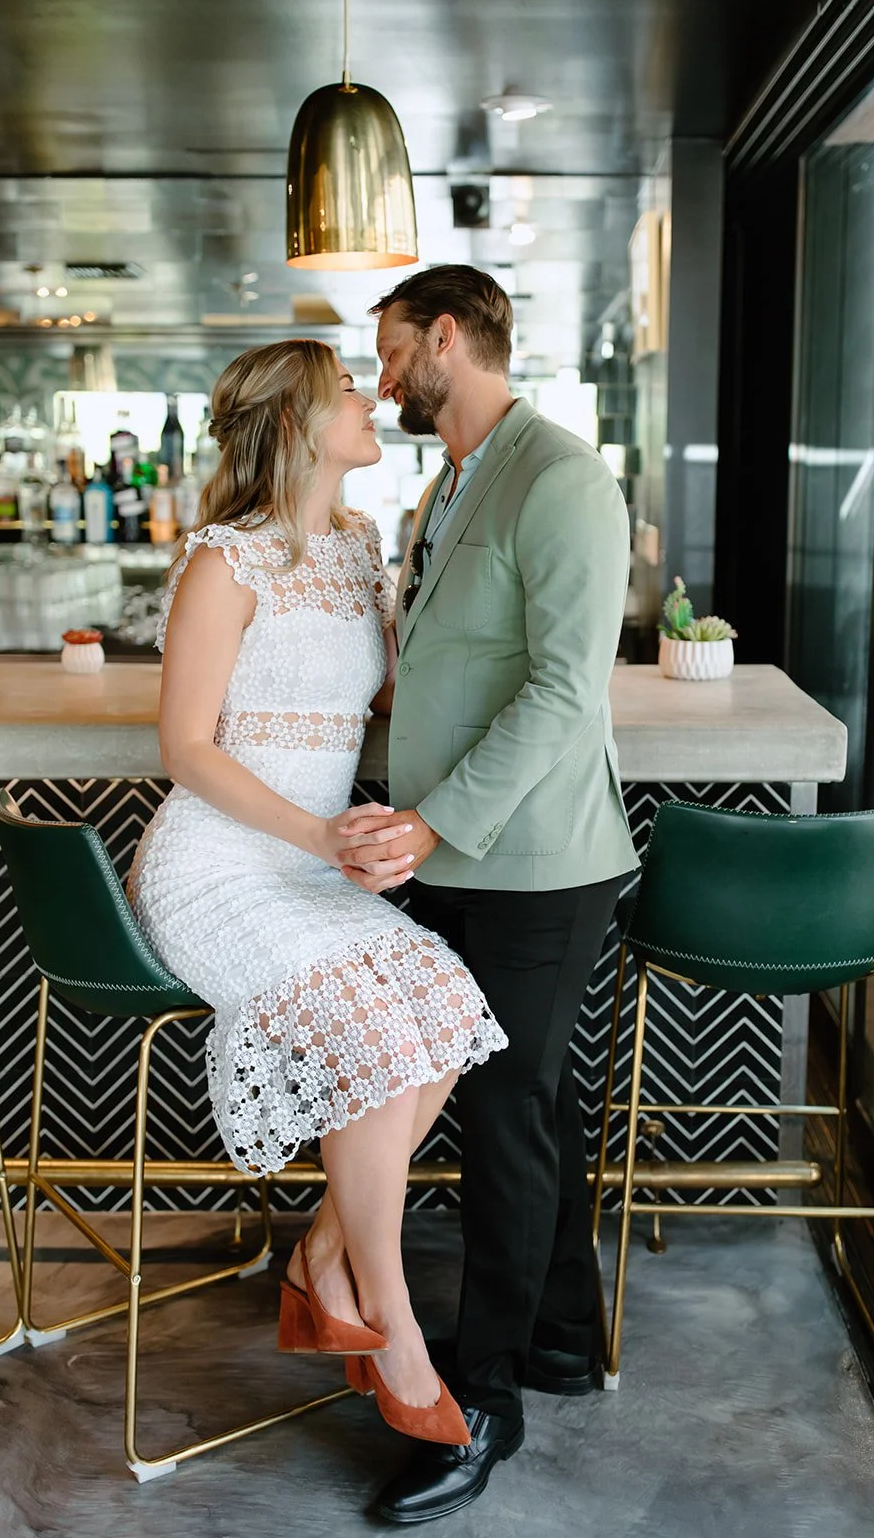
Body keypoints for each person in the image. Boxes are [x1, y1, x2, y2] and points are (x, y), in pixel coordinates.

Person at [127, 338, 508, 1452]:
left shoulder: (355, 545)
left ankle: (322, 1256)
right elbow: (183, 746)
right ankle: (387, 1325)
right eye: (347, 387)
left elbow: (387, 688)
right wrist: (316, 832)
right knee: (371, 1037)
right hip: (214, 865)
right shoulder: (222, 562)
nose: (370, 394)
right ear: (298, 423)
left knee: (439, 1013)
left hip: (310, 862)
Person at [336, 266, 640, 1523]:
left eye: (394, 349)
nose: (383, 376)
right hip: (455, 858)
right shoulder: (448, 483)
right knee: (532, 1102)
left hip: (535, 861)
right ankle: (565, 1335)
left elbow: (567, 692)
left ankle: (488, 1393)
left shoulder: (561, 478)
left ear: (447, 337)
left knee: (507, 1108)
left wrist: (431, 815)